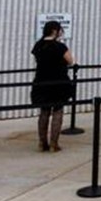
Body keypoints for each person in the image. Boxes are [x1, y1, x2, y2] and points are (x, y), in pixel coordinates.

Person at [31, 19, 75, 152]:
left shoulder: (38, 46)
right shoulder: (60, 47)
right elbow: (70, 61)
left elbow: (37, 60)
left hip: (41, 81)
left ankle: (41, 142)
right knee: (57, 111)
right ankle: (53, 143)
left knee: (44, 112)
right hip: (58, 81)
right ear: (55, 31)